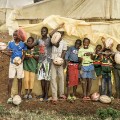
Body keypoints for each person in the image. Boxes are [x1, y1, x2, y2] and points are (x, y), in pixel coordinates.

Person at [25, 24, 64, 101]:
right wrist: (23, 41)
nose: (42, 32)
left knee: (47, 79)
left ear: (46, 32)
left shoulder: (50, 39)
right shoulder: (38, 40)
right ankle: (43, 94)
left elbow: (56, 45)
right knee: (42, 79)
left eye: (44, 31)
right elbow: (30, 46)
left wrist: (58, 38)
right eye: (42, 31)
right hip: (40, 61)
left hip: (48, 62)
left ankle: (46, 95)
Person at [7, 30, 27, 103]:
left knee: (19, 78)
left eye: (15, 35)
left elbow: (24, 53)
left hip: (20, 64)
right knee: (10, 79)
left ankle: (19, 94)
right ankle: (9, 95)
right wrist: (8, 53)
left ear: (19, 36)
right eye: (13, 35)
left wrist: (21, 60)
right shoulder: (11, 43)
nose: (14, 36)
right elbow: (9, 53)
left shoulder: (22, 44)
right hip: (12, 63)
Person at [51, 30, 67, 104]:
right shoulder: (53, 41)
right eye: (58, 32)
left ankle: (61, 94)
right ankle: (54, 96)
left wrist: (60, 60)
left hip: (60, 62)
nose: (60, 34)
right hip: (52, 60)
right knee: (53, 78)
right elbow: (50, 34)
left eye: (61, 33)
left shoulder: (64, 42)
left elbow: (64, 51)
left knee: (61, 77)